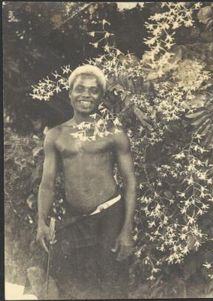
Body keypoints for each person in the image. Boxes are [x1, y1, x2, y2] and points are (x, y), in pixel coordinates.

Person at [34, 64, 137, 299]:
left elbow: (130, 180)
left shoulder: (113, 132)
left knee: (111, 286)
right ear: (70, 93)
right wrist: (41, 221)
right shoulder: (56, 135)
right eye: (80, 89)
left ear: (101, 96)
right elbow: (47, 183)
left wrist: (127, 229)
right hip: (75, 218)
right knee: (74, 285)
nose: (86, 95)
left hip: (110, 215)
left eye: (93, 90)